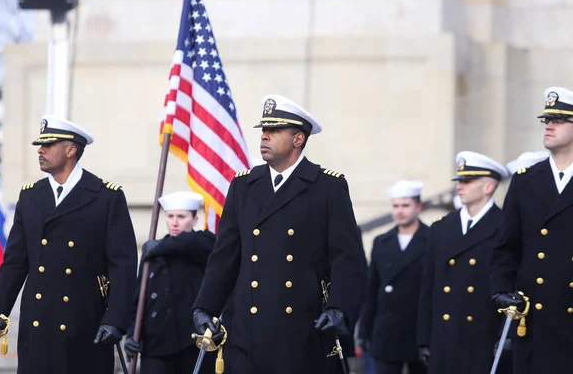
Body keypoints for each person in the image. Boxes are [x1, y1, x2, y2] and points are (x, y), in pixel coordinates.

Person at [191, 94, 367, 374]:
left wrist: (340, 308)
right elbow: (224, 257)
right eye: (263, 130)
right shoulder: (244, 185)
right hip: (246, 335)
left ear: (298, 139)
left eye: (274, 130)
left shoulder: (327, 187)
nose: (264, 136)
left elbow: (348, 258)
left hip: (301, 333)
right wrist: (204, 306)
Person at [0, 115, 138, 373]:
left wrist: (116, 320)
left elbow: (122, 265)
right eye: (39, 145)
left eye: (49, 144)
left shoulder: (106, 197)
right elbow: (15, 262)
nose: (40, 150)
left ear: (71, 150)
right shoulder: (31, 196)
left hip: (85, 322)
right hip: (38, 324)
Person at [490, 87, 573, 373]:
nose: (549, 125)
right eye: (546, 120)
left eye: (560, 120)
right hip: (535, 318)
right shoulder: (525, 181)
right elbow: (507, 247)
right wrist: (501, 289)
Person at [417, 151, 508, 374]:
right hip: (443, 337)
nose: (459, 187)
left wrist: (506, 337)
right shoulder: (441, 228)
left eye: (467, 182)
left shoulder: (505, 226)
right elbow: (428, 286)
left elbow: (509, 283)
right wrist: (423, 339)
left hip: (482, 338)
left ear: (488, 187)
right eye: (459, 181)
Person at [124, 191, 216, 373]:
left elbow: (191, 242)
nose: (174, 223)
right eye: (170, 216)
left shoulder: (204, 243)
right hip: (157, 346)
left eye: (181, 217)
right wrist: (132, 334)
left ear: (195, 219)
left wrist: (158, 246)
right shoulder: (152, 254)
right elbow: (139, 301)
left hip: (193, 345)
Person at [359, 180, 428, 374]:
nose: (399, 211)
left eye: (405, 205)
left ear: (418, 207)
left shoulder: (432, 239)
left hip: (418, 330)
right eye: (396, 206)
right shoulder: (382, 242)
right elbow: (371, 290)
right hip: (387, 331)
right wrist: (364, 331)